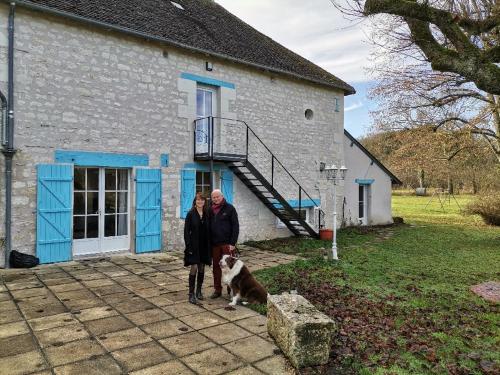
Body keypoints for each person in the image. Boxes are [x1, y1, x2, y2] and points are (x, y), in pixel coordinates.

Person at [209, 189, 239, 298]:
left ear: (222, 196)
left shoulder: (230, 208)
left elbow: (235, 226)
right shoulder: (210, 209)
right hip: (215, 244)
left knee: (229, 267)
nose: (216, 199)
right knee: (216, 268)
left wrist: (233, 242)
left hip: (227, 244)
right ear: (212, 198)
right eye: (214, 197)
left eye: (218, 196)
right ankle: (217, 290)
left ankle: (231, 289)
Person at [183, 192, 211, 304]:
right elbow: (186, 232)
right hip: (193, 245)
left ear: (205, 201)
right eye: (198, 200)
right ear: (195, 201)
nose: (200, 202)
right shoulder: (190, 213)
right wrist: (188, 246)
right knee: (194, 267)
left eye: (202, 200)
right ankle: (191, 294)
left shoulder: (207, 212)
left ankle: (199, 291)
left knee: (202, 267)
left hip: (204, 245)